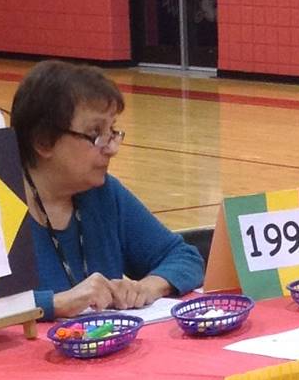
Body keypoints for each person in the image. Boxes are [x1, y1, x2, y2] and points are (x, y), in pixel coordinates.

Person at [11, 60, 204, 320]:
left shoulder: (103, 194)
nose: (112, 148)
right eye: (95, 133)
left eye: (112, 131)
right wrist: (53, 303)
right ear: (44, 141)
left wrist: (147, 286)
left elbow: (184, 257)